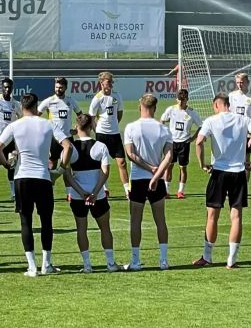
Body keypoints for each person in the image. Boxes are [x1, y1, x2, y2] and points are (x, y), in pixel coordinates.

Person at [0, 93, 72, 277]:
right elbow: (68, 146)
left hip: (22, 178)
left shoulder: (14, 125)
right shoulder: (48, 124)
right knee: (46, 222)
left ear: (21, 107)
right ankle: (46, 264)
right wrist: (60, 170)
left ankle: (32, 267)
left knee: (25, 221)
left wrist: (7, 164)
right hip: (43, 177)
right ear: (36, 106)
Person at [190, 92, 251, 269]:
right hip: (238, 172)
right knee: (236, 216)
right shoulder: (242, 120)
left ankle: (208, 256)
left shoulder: (211, 121)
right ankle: (231, 259)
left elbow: (199, 142)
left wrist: (202, 164)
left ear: (216, 105)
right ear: (228, 105)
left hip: (219, 172)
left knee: (212, 215)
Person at [121, 94, 173, 271]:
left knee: (135, 221)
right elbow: (168, 156)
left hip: (137, 178)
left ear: (140, 106)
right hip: (156, 180)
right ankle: (163, 260)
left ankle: (135, 261)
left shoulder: (131, 127)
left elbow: (131, 154)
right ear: (155, 108)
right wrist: (157, 173)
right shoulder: (163, 129)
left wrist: (150, 169)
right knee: (161, 220)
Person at [63, 114, 119, 273]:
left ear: (76, 126)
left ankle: (87, 265)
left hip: (77, 196)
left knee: (81, 228)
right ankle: (110, 263)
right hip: (98, 195)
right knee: (105, 228)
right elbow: (105, 172)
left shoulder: (70, 147)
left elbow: (66, 174)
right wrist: (94, 192)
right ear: (91, 126)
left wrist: (81, 192)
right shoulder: (101, 146)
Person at [159, 88, 202, 199]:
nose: (181, 102)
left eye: (183, 100)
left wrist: (193, 138)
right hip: (171, 142)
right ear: (176, 99)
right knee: (169, 166)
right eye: (179, 99)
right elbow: (162, 120)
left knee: (183, 167)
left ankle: (180, 191)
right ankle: (166, 191)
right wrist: (164, 133)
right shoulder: (171, 109)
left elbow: (201, 126)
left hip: (184, 143)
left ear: (187, 99)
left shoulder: (192, 112)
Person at [89, 72, 127, 195]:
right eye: (108, 82)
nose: (111, 84)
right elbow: (92, 117)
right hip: (101, 134)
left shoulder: (117, 96)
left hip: (115, 133)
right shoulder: (97, 99)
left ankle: (128, 190)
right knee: (102, 162)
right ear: (101, 83)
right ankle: (104, 188)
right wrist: (97, 131)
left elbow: (119, 113)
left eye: (112, 82)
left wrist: (114, 124)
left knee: (122, 162)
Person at [38, 77, 82, 170]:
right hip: (54, 138)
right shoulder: (49, 101)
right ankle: (51, 184)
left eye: (61, 87)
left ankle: (68, 185)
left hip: (68, 137)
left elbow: (81, 116)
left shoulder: (71, 101)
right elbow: (35, 116)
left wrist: (77, 128)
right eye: (56, 87)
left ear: (66, 88)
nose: (58, 89)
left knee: (68, 166)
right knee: (52, 164)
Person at [228, 72, 251, 176]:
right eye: (238, 82)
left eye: (242, 82)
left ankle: (244, 188)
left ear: (247, 83)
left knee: (246, 161)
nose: (240, 84)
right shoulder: (231, 96)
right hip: (234, 133)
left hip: (247, 133)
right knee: (232, 159)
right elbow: (229, 114)